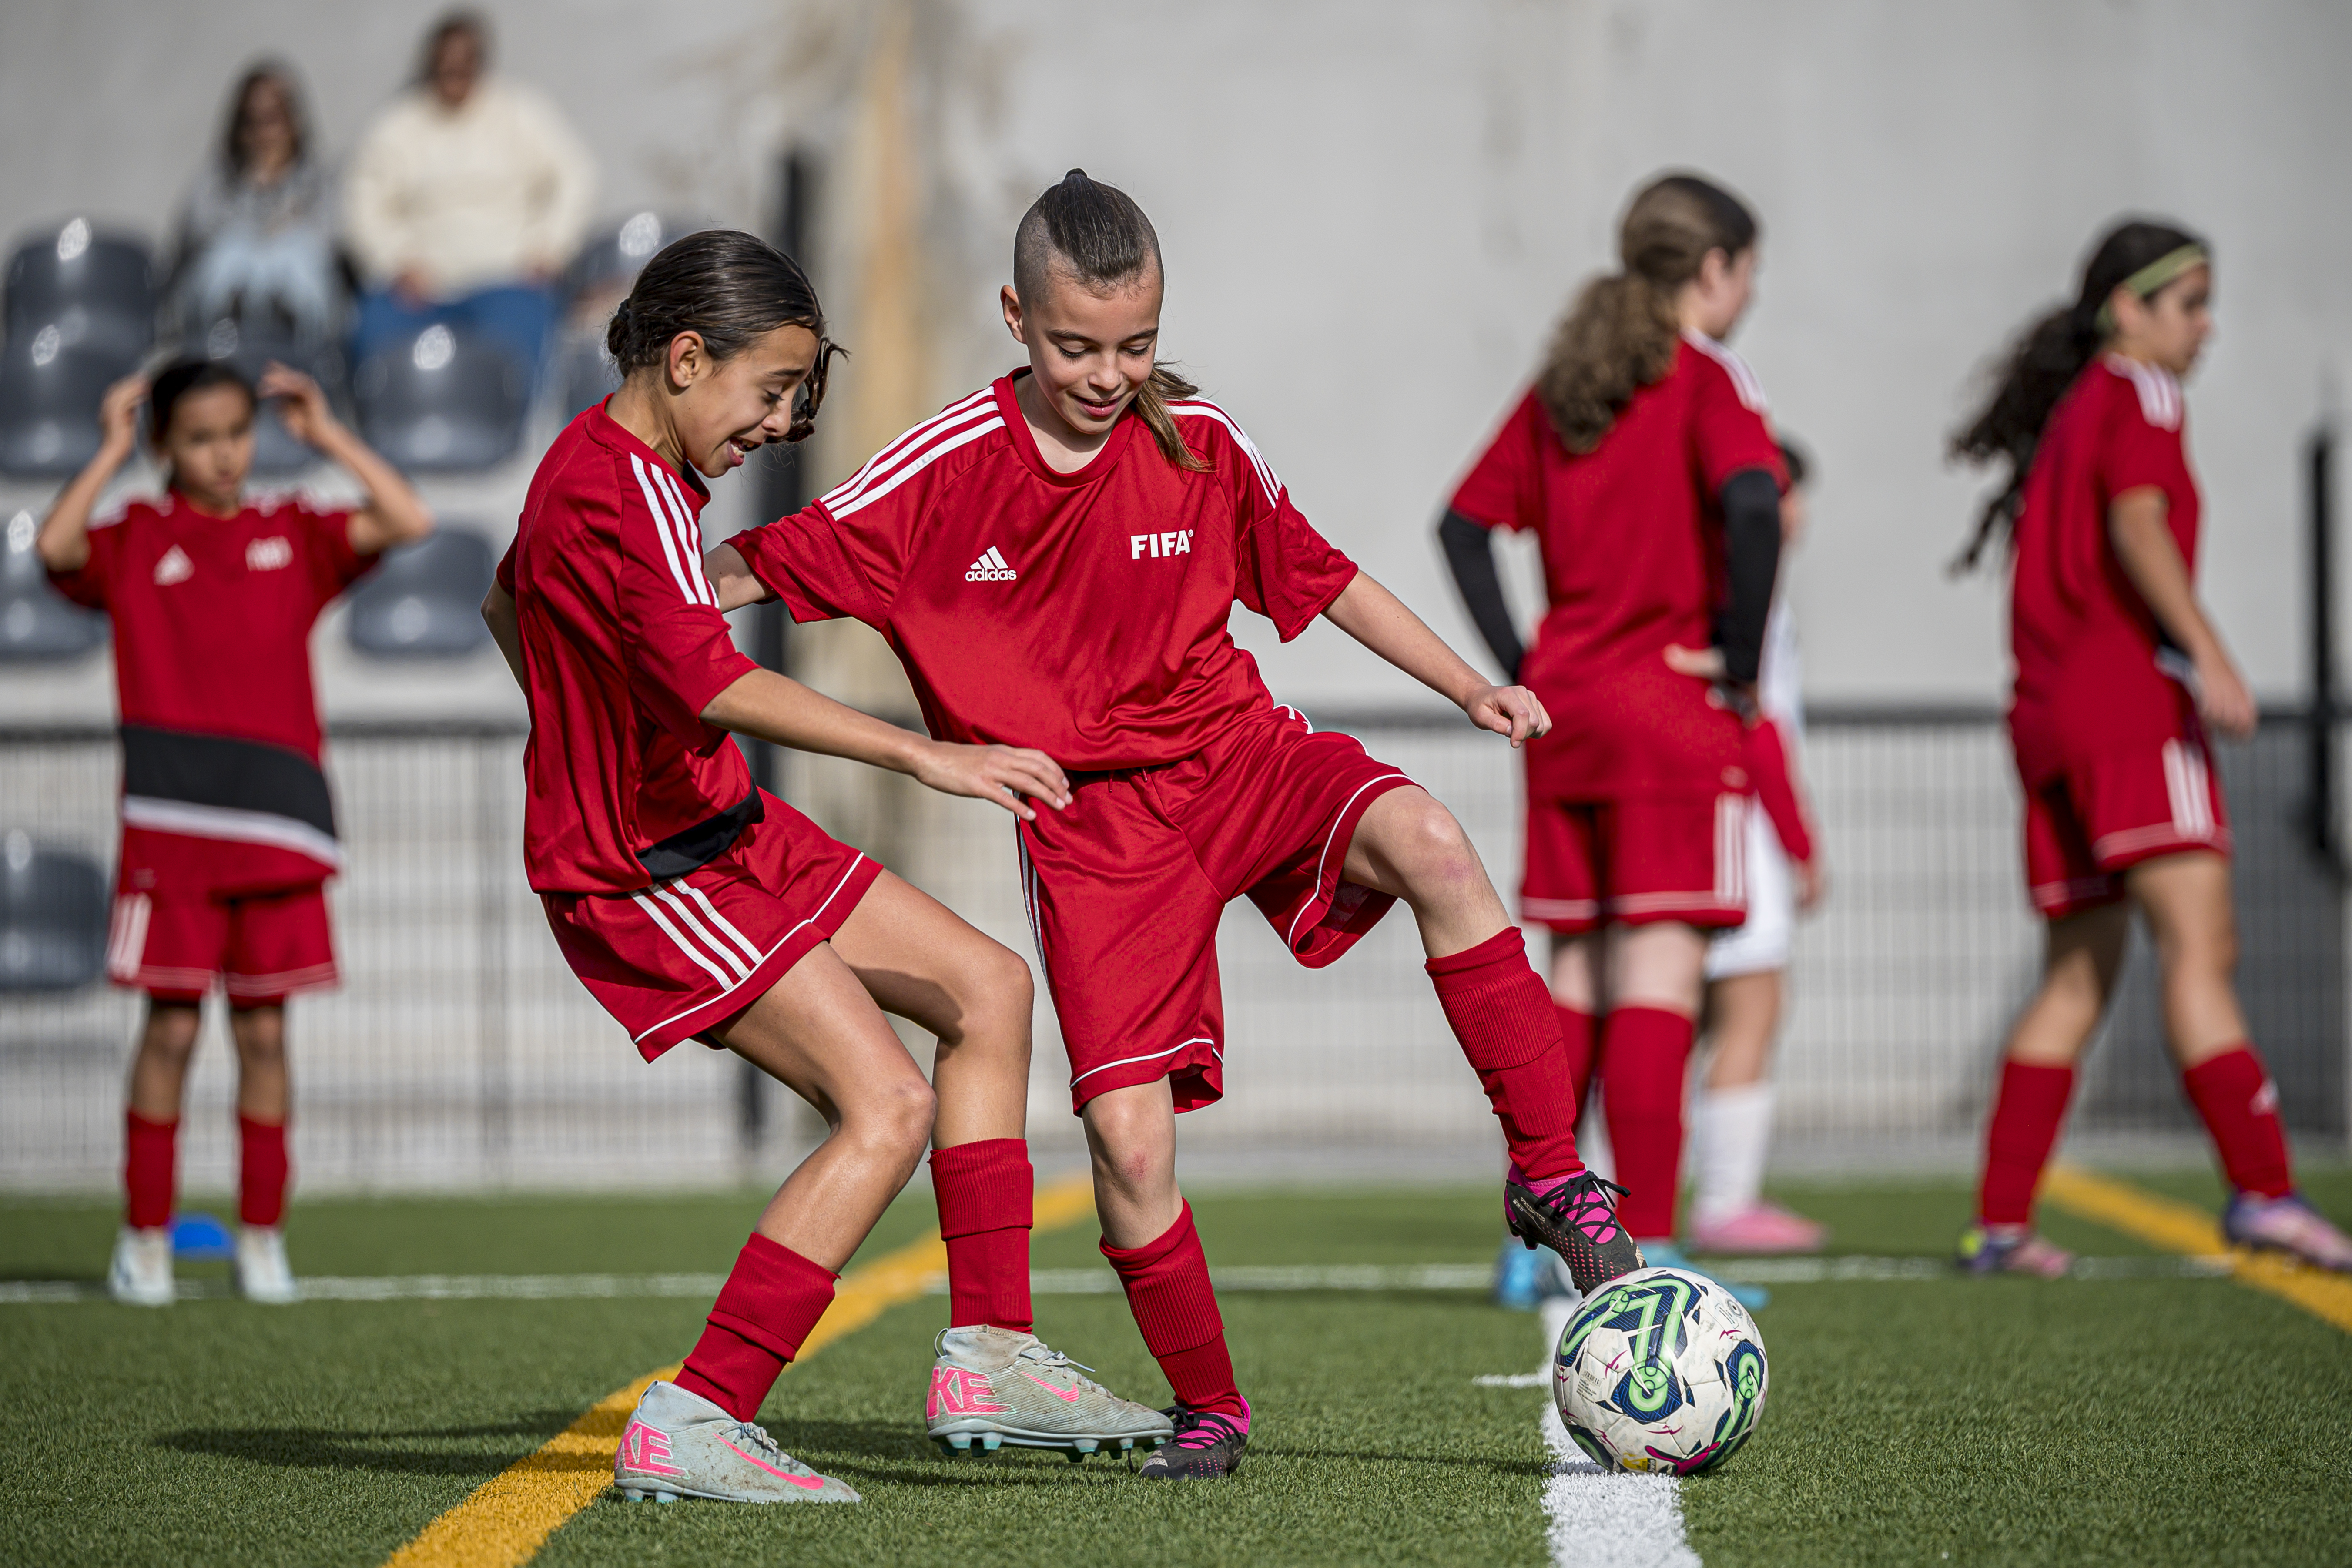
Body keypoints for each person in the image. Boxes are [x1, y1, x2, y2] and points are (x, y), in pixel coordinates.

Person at [710, 170, 1644, 1483]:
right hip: (1093, 833)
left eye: (1135, 344)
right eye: (1076, 347)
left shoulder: (1199, 440)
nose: (1109, 375)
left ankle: (1548, 1170)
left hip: (1240, 757)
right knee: (1130, 1144)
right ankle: (1210, 1405)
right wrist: (606, 595)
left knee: (1432, 841)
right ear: (1015, 320)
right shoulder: (940, 468)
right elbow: (746, 566)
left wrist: (1469, 685)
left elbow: (1324, 575)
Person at [479, 229, 1167, 1506]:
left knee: (989, 988)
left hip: (724, 825)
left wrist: (582, 722)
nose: (777, 423)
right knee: (886, 1105)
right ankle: (697, 1411)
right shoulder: (618, 488)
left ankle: (994, 1354)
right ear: (688, 358)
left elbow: (503, 602)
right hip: (645, 866)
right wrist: (925, 754)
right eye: (770, 390)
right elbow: (713, 682)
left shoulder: (620, 472)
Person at [1950, 219, 2352, 1276]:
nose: (2206, 326)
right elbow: (2140, 524)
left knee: (2078, 974)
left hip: (2046, 719)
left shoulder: (2076, 409)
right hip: (2127, 710)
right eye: (2190, 304)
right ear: (2126, 309)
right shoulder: (2141, 392)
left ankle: (2000, 1223)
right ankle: (2265, 1191)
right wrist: (2209, 651)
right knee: (2201, 948)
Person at [1439, 173, 1784, 1297]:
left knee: (1578, 969)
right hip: (1669, 713)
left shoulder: (1567, 382)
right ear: (1713, 270)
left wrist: (1524, 664)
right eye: (1746, 273)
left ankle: (1532, 1238)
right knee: (1659, 969)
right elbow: (1754, 505)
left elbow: (1461, 525)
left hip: (1570, 715)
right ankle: (1651, 1248)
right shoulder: (1704, 376)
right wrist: (1739, 660)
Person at [37, 358, 433, 1307]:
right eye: (200, 438)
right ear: (165, 445)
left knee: (264, 1034)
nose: (224, 454)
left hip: (280, 830)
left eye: (236, 433)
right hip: (171, 836)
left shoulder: (291, 529)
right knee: (171, 1029)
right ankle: (144, 1240)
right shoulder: (134, 536)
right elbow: (54, 548)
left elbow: (407, 518)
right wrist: (110, 449)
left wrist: (324, 432)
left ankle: (263, 1240)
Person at [1685, 438, 1827, 1255]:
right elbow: (1758, 724)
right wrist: (1801, 841)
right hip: (1737, 823)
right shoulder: (1751, 592)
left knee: (1661, 1006)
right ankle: (1725, 1201)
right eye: (1787, 494)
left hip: (1699, 815)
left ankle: (1579, 1193)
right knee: (1752, 1000)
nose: (1797, 513)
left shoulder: (1697, 581)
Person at [343, 10, 594, 388]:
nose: (455, 72)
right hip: (420, 287)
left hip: (507, 278)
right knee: (375, 335)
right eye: (446, 63)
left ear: (481, 63)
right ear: (431, 64)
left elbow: (576, 174)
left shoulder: (520, 111)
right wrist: (395, 261)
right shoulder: (398, 124)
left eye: (465, 62)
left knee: (519, 356)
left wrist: (549, 248)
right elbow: (362, 200)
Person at [173, 61, 342, 345]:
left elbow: (329, 240)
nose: (263, 134)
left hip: (297, 289)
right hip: (227, 287)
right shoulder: (215, 179)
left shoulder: (320, 179)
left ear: (294, 124)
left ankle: (291, 337)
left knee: (298, 261)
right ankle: (228, 335)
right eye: (251, 122)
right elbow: (197, 234)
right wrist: (256, 189)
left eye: (273, 120)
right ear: (238, 129)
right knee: (229, 257)